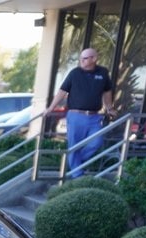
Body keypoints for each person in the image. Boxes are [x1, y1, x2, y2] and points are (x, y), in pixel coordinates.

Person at [48, 48, 118, 177]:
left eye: (85, 58)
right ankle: (77, 175)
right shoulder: (75, 73)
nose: (81, 61)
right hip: (76, 116)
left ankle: (75, 163)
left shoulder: (103, 72)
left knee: (97, 141)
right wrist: (51, 107)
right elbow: (62, 91)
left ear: (94, 59)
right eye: (81, 58)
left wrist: (109, 108)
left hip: (94, 116)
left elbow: (107, 91)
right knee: (74, 145)